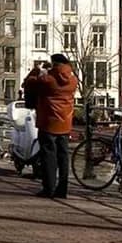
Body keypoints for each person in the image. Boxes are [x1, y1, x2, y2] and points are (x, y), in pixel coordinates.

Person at [23, 54, 78, 199]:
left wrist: (37, 70)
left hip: (48, 122)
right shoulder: (73, 80)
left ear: (54, 64)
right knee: (63, 156)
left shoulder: (47, 80)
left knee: (48, 156)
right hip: (65, 123)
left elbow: (28, 83)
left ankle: (49, 188)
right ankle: (62, 189)